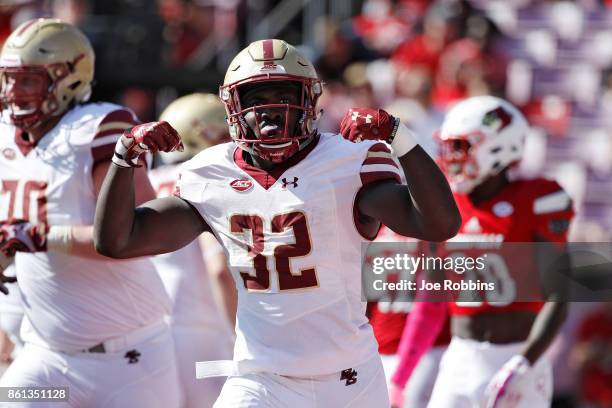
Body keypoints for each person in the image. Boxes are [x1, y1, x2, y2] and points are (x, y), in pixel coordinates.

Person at [94, 38, 460, 407]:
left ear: (310, 101)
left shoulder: (349, 162)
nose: (269, 111)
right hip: (261, 379)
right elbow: (118, 241)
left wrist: (400, 136)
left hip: (349, 380)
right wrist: (124, 157)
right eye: (255, 99)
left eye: (282, 96)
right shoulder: (211, 174)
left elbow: (439, 224)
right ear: (233, 107)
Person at [0, 18, 180, 407]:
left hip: (128, 360)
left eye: (28, 80)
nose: (14, 92)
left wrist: (41, 236)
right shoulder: (4, 137)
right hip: (44, 357)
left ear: (69, 79)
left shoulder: (98, 128)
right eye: (8, 79)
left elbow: (142, 234)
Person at [389, 95, 574, 408]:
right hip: (461, 357)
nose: (451, 158)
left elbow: (560, 295)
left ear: (500, 146)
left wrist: (525, 361)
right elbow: (431, 303)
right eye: (449, 148)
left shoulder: (537, 199)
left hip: (517, 356)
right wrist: (400, 376)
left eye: (461, 147)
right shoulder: (446, 206)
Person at [149, 92, 235, 408]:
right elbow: (218, 268)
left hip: (153, 329)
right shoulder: (204, 180)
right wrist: (239, 334)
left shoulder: (150, 179)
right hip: (202, 331)